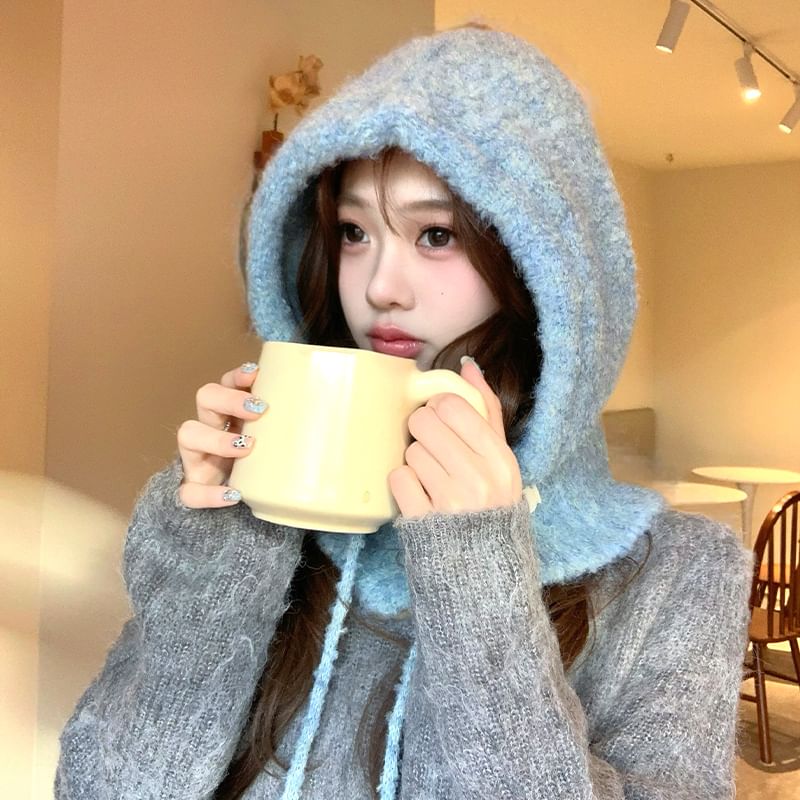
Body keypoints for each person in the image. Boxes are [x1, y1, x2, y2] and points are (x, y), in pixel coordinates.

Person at [55, 26, 752, 800]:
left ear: (545, 271)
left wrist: (477, 582)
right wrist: (221, 560)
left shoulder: (677, 575)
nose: (380, 286)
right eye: (354, 232)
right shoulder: (264, 521)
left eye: (436, 235)